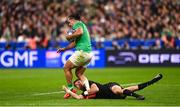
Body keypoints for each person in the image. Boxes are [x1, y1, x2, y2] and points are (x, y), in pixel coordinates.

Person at [57, 14, 93, 99]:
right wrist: (64, 49)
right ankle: (89, 91)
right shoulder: (81, 26)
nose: (69, 24)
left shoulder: (78, 24)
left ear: (72, 19)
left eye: (69, 22)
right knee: (79, 73)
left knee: (66, 68)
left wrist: (69, 36)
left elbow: (80, 32)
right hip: (89, 54)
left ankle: (71, 89)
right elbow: (74, 43)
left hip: (82, 52)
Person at [63, 74, 163, 100]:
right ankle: (151, 82)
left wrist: (86, 92)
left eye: (77, 82)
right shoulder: (83, 92)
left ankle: (138, 96)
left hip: (109, 87)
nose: (77, 84)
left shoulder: (89, 83)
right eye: (76, 84)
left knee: (117, 90)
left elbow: (96, 89)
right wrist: (69, 91)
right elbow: (78, 98)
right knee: (129, 89)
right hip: (111, 96)